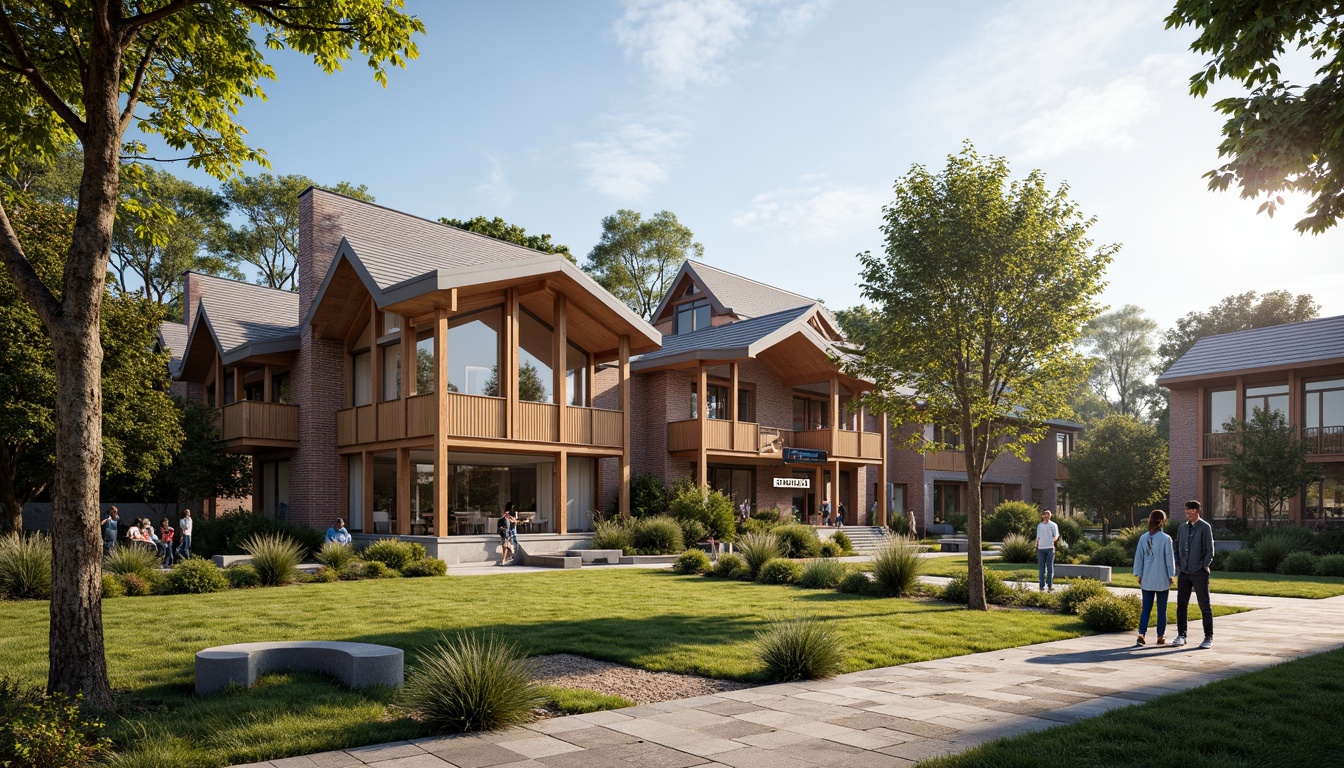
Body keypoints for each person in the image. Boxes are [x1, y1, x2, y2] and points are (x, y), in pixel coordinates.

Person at [1174, 500, 1216, 649]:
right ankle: (1181, 635)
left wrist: (1202, 566)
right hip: (1184, 572)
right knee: (1181, 605)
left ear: (1197, 511)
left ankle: (1208, 637)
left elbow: (1210, 551)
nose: (1189, 513)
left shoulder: (1205, 527)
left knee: (1204, 605)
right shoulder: (1182, 528)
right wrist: (1178, 563)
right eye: (1187, 511)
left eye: (1192, 511)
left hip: (1199, 573)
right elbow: (1177, 546)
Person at [1132, 509, 1176, 646]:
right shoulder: (1166, 539)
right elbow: (1169, 558)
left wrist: (1139, 574)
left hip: (1147, 577)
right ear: (1163, 521)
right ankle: (1160, 636)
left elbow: (1138, 557)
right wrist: (1171, 574)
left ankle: (1141, 634)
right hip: (1161, 577)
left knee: (1146, 608)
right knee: (1161, 609)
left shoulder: (1143, 538)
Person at [1034, 508, 1060, 592]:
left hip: (1050, 548)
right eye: (1045, 514)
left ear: (1050, 516)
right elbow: (1038, 536)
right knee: (1041, 567)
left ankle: (1050, 585)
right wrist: (1036, 544)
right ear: (1043, 516)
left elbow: (1056, 536)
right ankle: (1041, 586)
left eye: (1048, 514)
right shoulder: (1039, 525)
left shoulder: (1053, 525)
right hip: (1041, 548)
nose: (1046, 516)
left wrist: (1052, 541)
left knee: (1049, 567)